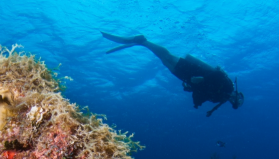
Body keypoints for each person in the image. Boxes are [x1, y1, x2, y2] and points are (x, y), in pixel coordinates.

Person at [101, 32, 244, 117]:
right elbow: (218, 74)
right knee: (169, 56)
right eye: (237, 98)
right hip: (196, 71)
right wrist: (203, 78)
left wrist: (193, 96)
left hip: (188, 78)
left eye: (234, 103)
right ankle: (143, 41)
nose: (233, 100)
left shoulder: (218, 99)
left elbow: (203, 93)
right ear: (238, 94)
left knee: (165, 61)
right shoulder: (229, 86)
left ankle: (143, 43)